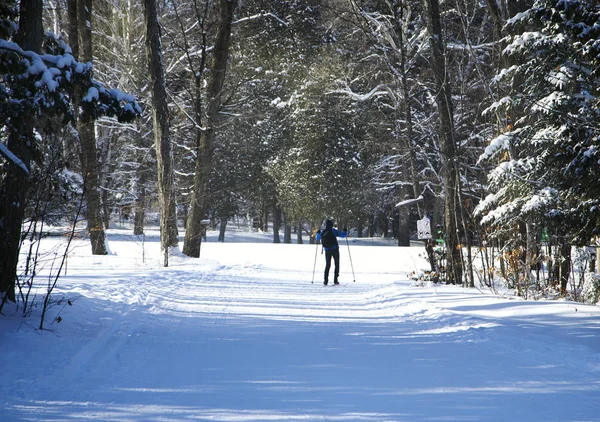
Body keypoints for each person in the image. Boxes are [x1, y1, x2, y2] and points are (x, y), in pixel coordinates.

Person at [316, 220, 348, 285]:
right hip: (335, 249)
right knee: (336, 264)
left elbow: (317, 238)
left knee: (328, 265)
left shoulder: (323, 232)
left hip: (327, 250)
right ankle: (335, 280)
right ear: (331, 225)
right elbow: (343, 235)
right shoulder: (334, 231)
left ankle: (325, 280)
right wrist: (345, 231)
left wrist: (318, 233)